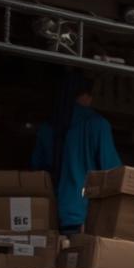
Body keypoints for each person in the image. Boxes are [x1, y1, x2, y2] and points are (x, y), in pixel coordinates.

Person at [30, 72, 122, 233]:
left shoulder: (47, 127)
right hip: (82, 216)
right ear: (85, 96)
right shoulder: (98, 125)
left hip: (47, 212)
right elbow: (114, 173)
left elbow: (36, 168)